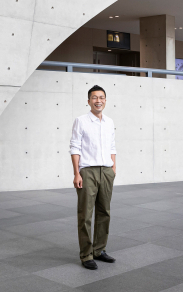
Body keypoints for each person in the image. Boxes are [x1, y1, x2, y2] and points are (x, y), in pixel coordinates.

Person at [69, 85, 117, 270]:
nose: (99, 100)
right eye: (95, 97)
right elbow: (75, 147)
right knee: (85, 214)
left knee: (104, 212)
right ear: (88, 101)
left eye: (102, 97)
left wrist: (113, 168)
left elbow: (112, 146)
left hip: (106, 171)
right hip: (87, 171)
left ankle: (99, 250)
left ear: (105, 100)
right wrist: (76, 173)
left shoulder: (109, 122)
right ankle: (86, 254)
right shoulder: (81, 121)